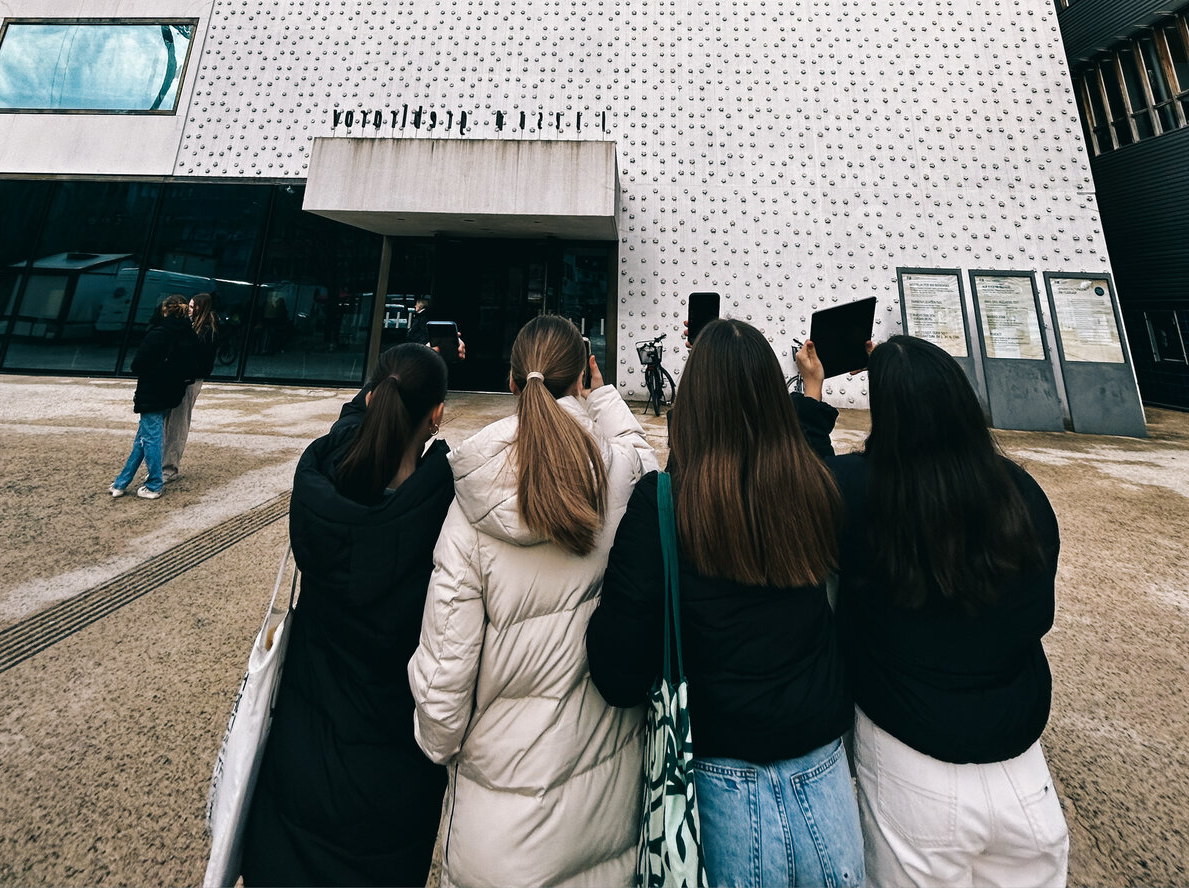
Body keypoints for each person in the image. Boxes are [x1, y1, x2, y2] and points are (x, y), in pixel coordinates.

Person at [587, 316, 864, 888]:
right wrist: (812, 393)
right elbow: (808, 451)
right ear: (773, 397)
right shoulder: (814, 488)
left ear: (691, 403)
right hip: (825, 775)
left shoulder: (664, 502)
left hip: (718, 783)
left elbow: (617, 673)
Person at [795, 334, 1068, 888]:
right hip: (1022, 770)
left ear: (886, 412)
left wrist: (814, 391)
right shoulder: (1021, 492)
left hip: (909, 758)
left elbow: (806, 489)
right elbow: (1039, 613)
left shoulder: (859, 491)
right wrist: (905, 366)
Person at [409, 314, 656, 888]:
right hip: (606, 819)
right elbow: (640, 454)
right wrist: (605, 398)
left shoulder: (471, 500)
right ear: (583, 380)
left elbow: (442, 711)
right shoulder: (625, 475)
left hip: (497, 838)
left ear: (514, 384)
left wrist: (437, 745)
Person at [242, 343, 453, 888]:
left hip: (301, 756)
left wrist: (390, 380)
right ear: (437, 415)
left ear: (370, 396)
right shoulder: (445, 514)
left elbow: (346, 433)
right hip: (392, 775)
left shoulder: (321, 490)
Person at [110, 294, 197, 500]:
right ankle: (122, 481)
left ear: (165, 310)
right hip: (172, 391)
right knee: (144, 437)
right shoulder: (189, 334)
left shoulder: (159, 333)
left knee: (150, 437)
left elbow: (138, 364)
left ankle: (154, 484)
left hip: (152, 390)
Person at [163, 291, 220, 479]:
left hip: (190, 379)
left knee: (177, 422)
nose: (189, 310)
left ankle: (169, 468)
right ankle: (165, 464)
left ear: (200, 307)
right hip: (183, 378)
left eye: (192, 306)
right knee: (170, 422)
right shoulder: (196, 327)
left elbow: (201, 360)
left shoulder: (205, 331)